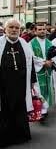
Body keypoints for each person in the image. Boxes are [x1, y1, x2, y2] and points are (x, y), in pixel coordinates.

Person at [0, 19, 37, 147]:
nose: (14, 30)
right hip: (3, 86)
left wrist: (32, 81)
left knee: (20, 110)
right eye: (11, 27)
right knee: (4, 111)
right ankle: (5, 137)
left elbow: (31, 63)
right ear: (5, 29)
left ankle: (21, 135)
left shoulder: (24, 43)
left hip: (21, 85)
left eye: (17, 27)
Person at [30, 22, 55, 121]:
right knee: (39, 89)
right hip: (39, 70)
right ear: (35, 31)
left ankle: (45, 109)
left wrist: (51, 61)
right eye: (39, 29)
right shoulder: (31, 43)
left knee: (47, 88)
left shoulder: (50, 42)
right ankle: (41, 110)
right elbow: (32, 57)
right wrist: (44, 62)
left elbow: (55, 54)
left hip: (48, 70)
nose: (42, 31)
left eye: (43, 29)